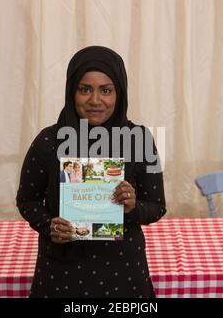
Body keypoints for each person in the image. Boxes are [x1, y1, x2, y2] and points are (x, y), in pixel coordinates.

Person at [16, 46, 166, 298]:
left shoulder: (139, 139)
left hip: (123, 270)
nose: (95, 100)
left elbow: (157, 206)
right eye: (85, 89)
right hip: (61, 271)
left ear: (119, 93)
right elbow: (27, 200)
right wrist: (48, 224)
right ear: (71, 92)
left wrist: (133, 206)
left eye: (106, 90)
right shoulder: (48, 141)